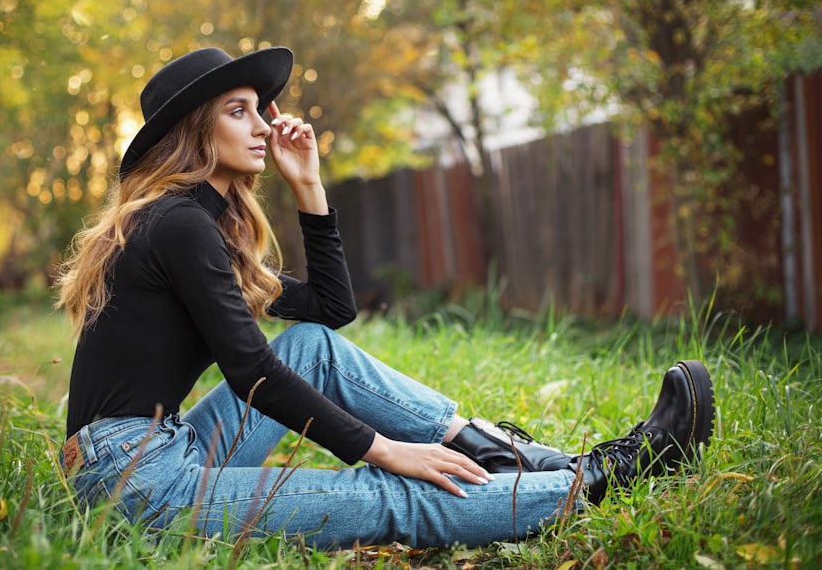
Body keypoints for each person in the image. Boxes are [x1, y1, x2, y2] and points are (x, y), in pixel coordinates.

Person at [54, 46, 715, 549]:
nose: (261, 124)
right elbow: (254, 373)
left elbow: (332, 312)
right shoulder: (178, 225)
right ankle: (595, 481)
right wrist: (383, 446)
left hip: (159, 448)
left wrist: (309, 186)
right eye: (238, 111)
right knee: (386, 494)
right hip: (132, 482)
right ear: (194, 132)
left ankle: (510, 456)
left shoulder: (194, 227)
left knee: (313, 346)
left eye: (260, 108)